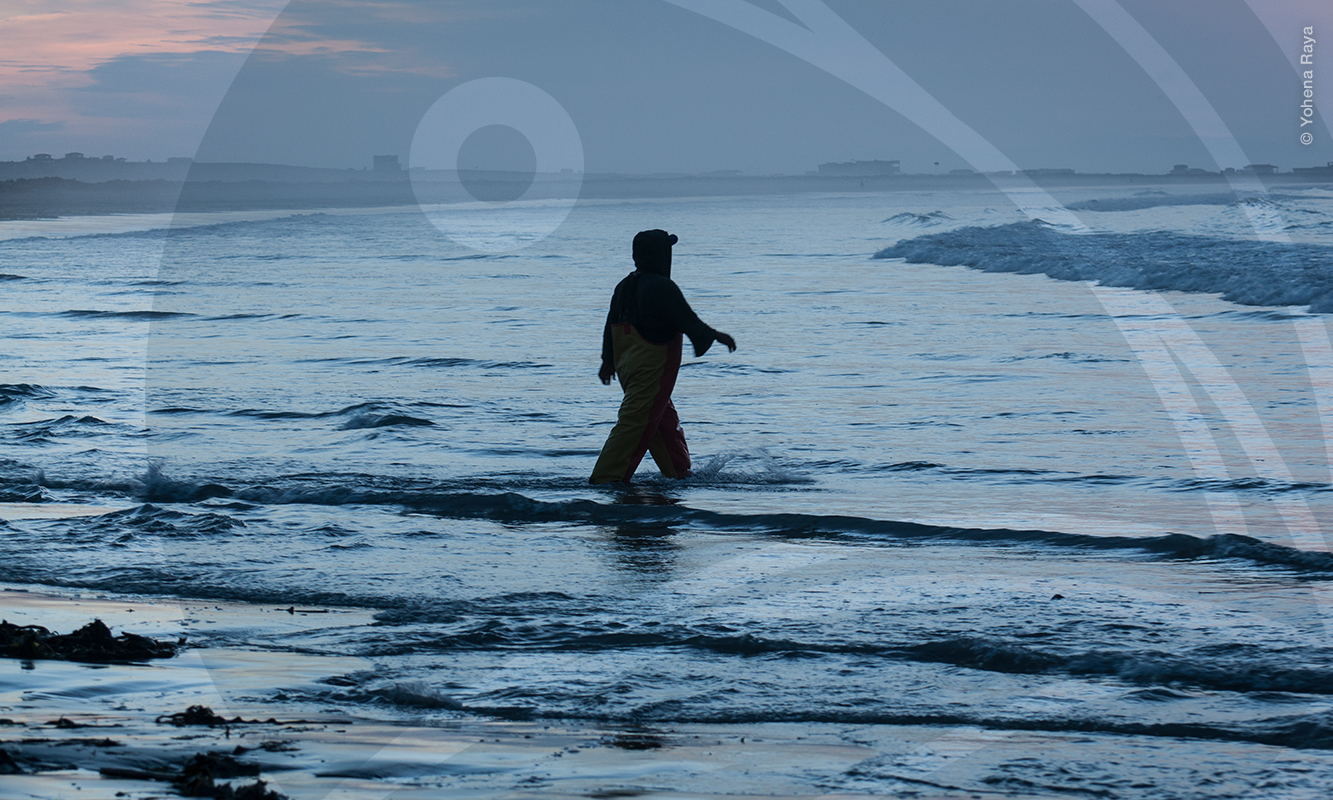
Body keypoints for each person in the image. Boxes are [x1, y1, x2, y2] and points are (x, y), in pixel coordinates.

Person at [590, 229, 736, 485]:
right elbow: (687, 319)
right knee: (634, 423)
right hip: (652, 368)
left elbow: (609, 325)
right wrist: (713, 335)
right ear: (660, 255)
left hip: (627, 365)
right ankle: (606, 480)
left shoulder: (624, 285)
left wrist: (607, 360)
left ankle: (679, 475)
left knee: (662, 421)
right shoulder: (661, 286)